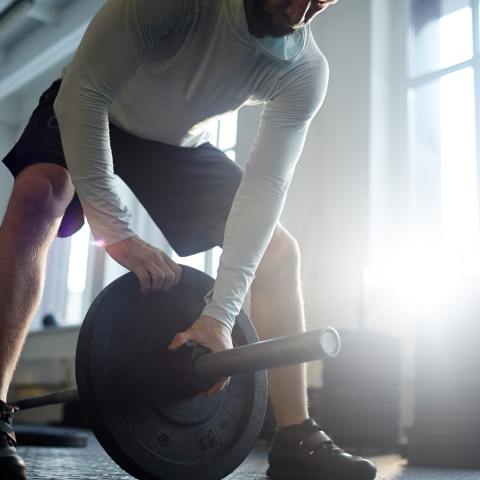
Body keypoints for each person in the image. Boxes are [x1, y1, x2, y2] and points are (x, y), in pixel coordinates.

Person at [0, 0, 377, 479]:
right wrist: (114, 231)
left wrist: (219, 316)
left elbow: (264, 189)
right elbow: (83, 95)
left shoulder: (304, 70)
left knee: (279, 255)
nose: (297, 11)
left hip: (177, 146)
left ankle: (295, 437)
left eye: (319, 1)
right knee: (39, 198)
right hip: (96, 101)